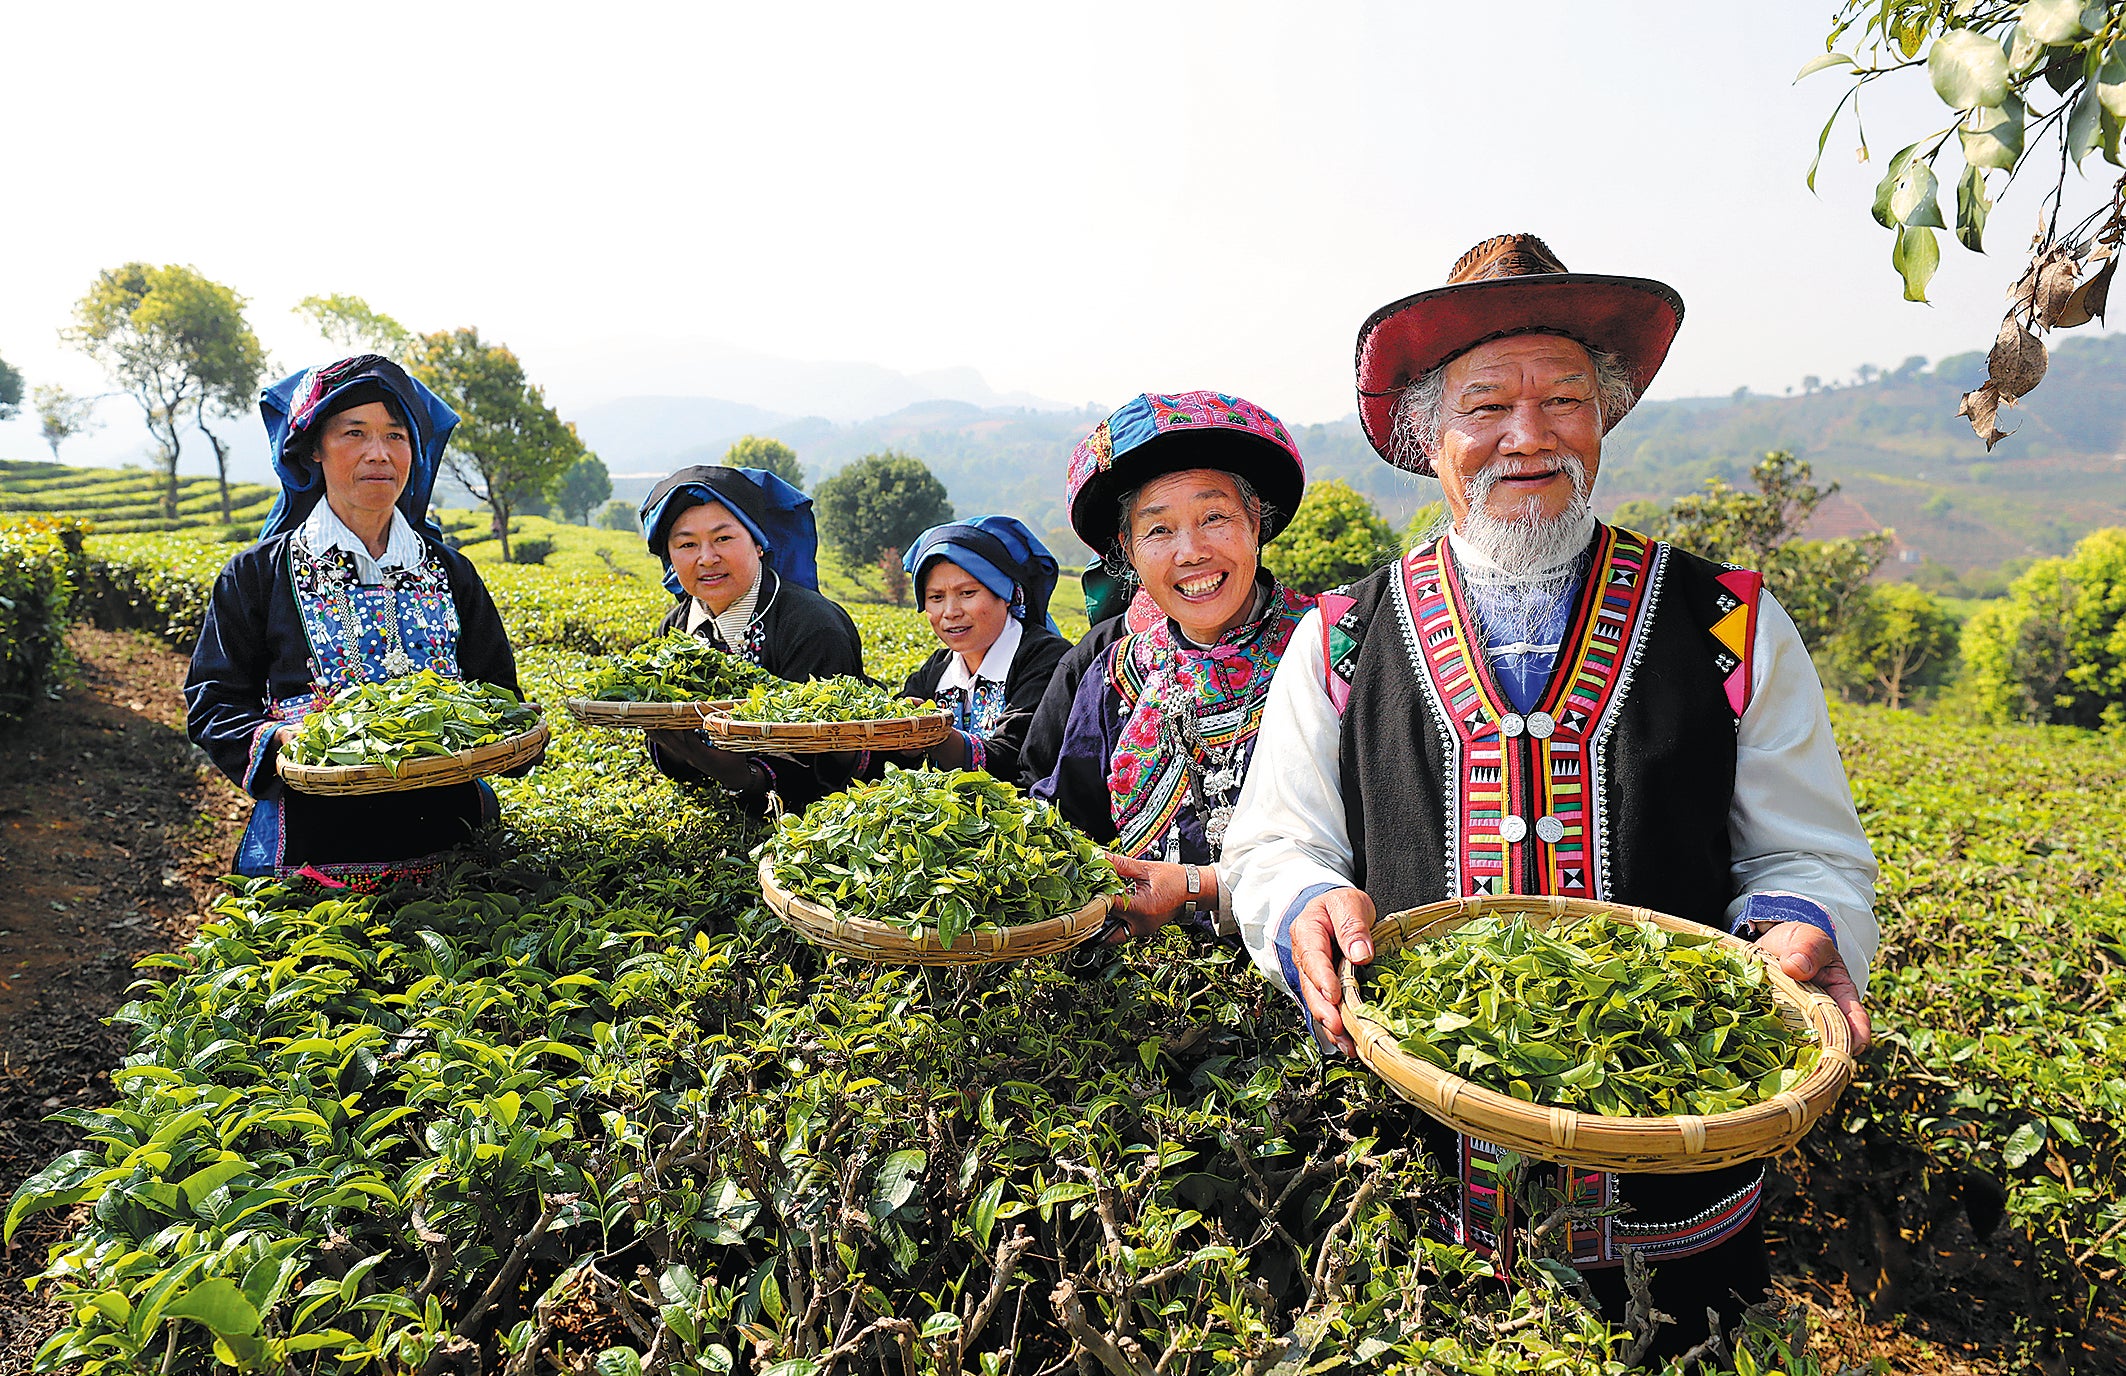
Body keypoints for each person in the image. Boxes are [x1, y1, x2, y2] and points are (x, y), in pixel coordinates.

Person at [1221, 234, 1880, 1357]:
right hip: (1422, 1194)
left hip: (1683, 1205)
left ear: (1603, 416)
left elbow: (1808, 852)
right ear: (1428, 435)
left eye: (1563, 397)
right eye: (1484, 405)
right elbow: (1276, 842)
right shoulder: (1339, 640)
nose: (1527, 436)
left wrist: (1805, 927)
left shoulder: (1726, 625)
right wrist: (1300, 908)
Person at [184, 354, 523, 883]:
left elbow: (499, 691)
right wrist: (283, 740)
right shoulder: (256, 576)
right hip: (314, 856)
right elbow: (215, 705)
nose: (378, 454)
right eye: (354, 434)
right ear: (313, 449)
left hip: (456, 850)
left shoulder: (452, 573)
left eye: (395, 435)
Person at [1032, 390, 1310, 939]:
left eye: (1214, 517)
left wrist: (1192, 886)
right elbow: (1064, 822)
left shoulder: (1333, 652)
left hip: (1316, 981)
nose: (1191, 551)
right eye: (1159, 529)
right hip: (1144, 988)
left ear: (1256, 522)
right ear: (1127, 550)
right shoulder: (1117, 675)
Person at [636, 464, 866, 813]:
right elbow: (676, 766)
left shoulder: (812, 627)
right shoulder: (674, 630)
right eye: (686, 544)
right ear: (670, 556)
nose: (707, 558)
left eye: (723, 538)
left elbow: (826, 769)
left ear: (758, 543)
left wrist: (732, 771)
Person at [898, 516, 1071, 782]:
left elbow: (1020, 759)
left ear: (1005, 594)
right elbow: (890, 763)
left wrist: (932, 733)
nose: (950, 612)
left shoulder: (1048, 660)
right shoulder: (936, 670)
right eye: (935, 598)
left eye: (967, 593)